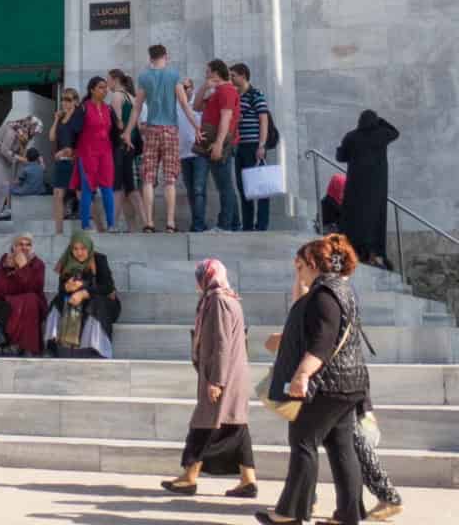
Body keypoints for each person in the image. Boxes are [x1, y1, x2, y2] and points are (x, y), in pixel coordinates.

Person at [257, 235, 369, 525]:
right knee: (341, 446)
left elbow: (322, 341)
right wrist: (299, 278)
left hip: (327, 385)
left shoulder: (324, 296)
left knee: (303, 441)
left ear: (314, 263)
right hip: (349, 384)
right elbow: (302, 307)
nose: (299, 268)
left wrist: (302, 373)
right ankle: (348, 515)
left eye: (302, 263)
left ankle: (290, 513)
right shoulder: (341, 289)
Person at [162, 258, 259, 499]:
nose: (197, 283)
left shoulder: (217, 301)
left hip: (223, 375)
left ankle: (189, 477)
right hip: (232, 375)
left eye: (200, 277)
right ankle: (248, 480)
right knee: (235, 427)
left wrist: (216, 380)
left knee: (203, 424)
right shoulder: (228, 298)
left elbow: (222, 343)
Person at [336, 111, 399, 267]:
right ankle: (373, 252)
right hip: (377, 188)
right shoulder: (382, 135)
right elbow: (395, 132)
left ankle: (354, 251)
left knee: (354, 219)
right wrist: (381, 121)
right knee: (375, 220)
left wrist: (342, 148)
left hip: (355, 187)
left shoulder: (351, 136)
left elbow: (340, 157)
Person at [44, 230, 120, 358]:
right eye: (75, 249)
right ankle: (53, 346)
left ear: (89, 247)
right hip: (76, 303)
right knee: (57, 301)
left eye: (83, 248)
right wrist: (66, 288)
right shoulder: (66, 262)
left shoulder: (99, 259)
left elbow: (107, 287)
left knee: (95, 303)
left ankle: (96, 348)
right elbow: (61, 290)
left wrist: (84, 291)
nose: (79, 253)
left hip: (102, 304)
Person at [137, 45, 184, 232]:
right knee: (170, 178)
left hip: (151, 129)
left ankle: (149, 222)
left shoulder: (144, 77)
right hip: (170, 130)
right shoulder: (173, 75)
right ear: (166, 56)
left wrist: (127, 131)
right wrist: (196, 126)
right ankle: (170, 222)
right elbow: (183, 103)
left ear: (150, 57)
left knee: (148, 178)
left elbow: (137, 107)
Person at [0, 232, 47, 357]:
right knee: (4, 305)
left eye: (28, 244)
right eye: (20, 244)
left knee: (29, 300)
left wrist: (23, 267)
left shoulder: (38, 264)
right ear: (13, 247)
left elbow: (34, 288)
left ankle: (25, 346)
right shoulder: (5, 259)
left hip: (31, 303)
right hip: (6, 300)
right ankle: (14, 345)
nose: (24, 247)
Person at [231, 64, 277, 234]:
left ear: (243, 76)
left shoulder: (255, 94)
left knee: (261, 187)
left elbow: (263, 120)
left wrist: (261, 145)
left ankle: (262, 225)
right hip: (239, 146)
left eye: (234, 75)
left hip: (254, 146)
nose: (231, 79)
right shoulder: (236, 96)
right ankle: (248, 225)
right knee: (243, 187)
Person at [198, 61, 242, 233]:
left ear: (216, 73)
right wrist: (204, 87)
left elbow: (226, 118)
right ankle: (235, 224)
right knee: (225, 185)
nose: (206, 74)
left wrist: (218, 144)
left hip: (222, 142)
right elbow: (196, 106)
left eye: (207, 72)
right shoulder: (217, 91)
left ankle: (225, 225)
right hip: (217, 141)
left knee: (225, 185)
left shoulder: (227, 91)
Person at [73, 76, 120, 231]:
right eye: (101, 87)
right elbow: (74, 129)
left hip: (105, 152)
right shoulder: (83, 107)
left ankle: (111, 225)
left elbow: (114, 132)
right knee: (88, 189)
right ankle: (85, 225)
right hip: (87, 152)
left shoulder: (109, 109)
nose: (105, 90)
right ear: (92, 90)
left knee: (107, 188)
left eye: (105, 87)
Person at [107, 68, 140, 231]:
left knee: (117, 186)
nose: (107, 84)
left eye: (108, 80)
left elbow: (118, 123)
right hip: (131, 144)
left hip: (120, 144)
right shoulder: (132, 97)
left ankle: (112, 224)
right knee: (130, 187)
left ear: (115, 79)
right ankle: (146, 222)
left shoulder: (117, 96)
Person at [48, 88, 82, 233]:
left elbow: (80, 139)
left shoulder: (78, 117)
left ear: (75, 101)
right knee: (57, 194)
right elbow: (51, 137)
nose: (65, 102)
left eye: (68, 99)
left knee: (81, 194)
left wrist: (69, 150)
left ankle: (94, 226)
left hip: (75, 160)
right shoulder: (61, 118)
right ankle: (59, 231)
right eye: (63, 99)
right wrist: (56, 118)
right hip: (61, 161)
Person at [177, 78, 208, 232]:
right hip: (183, 154)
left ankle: (198, 224)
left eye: (186, 87)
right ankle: (197, 222)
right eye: (181, 87)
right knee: (191, 190)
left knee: (198, 189)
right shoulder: (176, 105)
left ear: (192, 88)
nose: (183, 90)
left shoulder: (198, 103)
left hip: (199, 152)